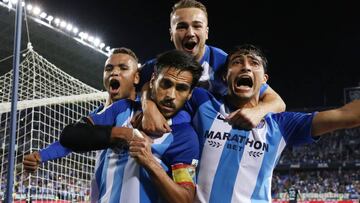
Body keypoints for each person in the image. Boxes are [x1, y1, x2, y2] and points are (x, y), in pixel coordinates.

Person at [184, 44, 360, 202]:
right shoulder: (203, 102)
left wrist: (259, 111)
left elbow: (347, 115)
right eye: (237, 62)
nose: (246, 67)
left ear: (264, 80)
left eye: (254, 63)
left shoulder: (282, 125)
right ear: (224, 76)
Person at [59, 50, 203, 203]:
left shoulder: (185, 136)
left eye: (181, 88)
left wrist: (149, 161)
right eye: (165, 84)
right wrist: (125, 134)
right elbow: (69, 136)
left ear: (189, 94)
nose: (170, 95)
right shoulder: (123, 109)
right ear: (153, 80)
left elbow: (185, 199)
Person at [138, 0, 286, 135]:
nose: (190, 33)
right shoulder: (158, 66)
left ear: (206, 32)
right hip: (176, 136)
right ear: (171, 34)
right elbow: (132, 89)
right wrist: (147, 106)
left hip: (216, 138)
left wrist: (257, 111)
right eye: (182, 27)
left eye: (197, 26)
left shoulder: (224, 63)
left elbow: (277, 102)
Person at [22, 47, 140, 172]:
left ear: (136, 77)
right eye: (109, 69)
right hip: (105, 190)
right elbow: (70, 141)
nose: (114, 72)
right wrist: (41, 155)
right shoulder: (98, 114)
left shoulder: (144, 109)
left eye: (123, 68)